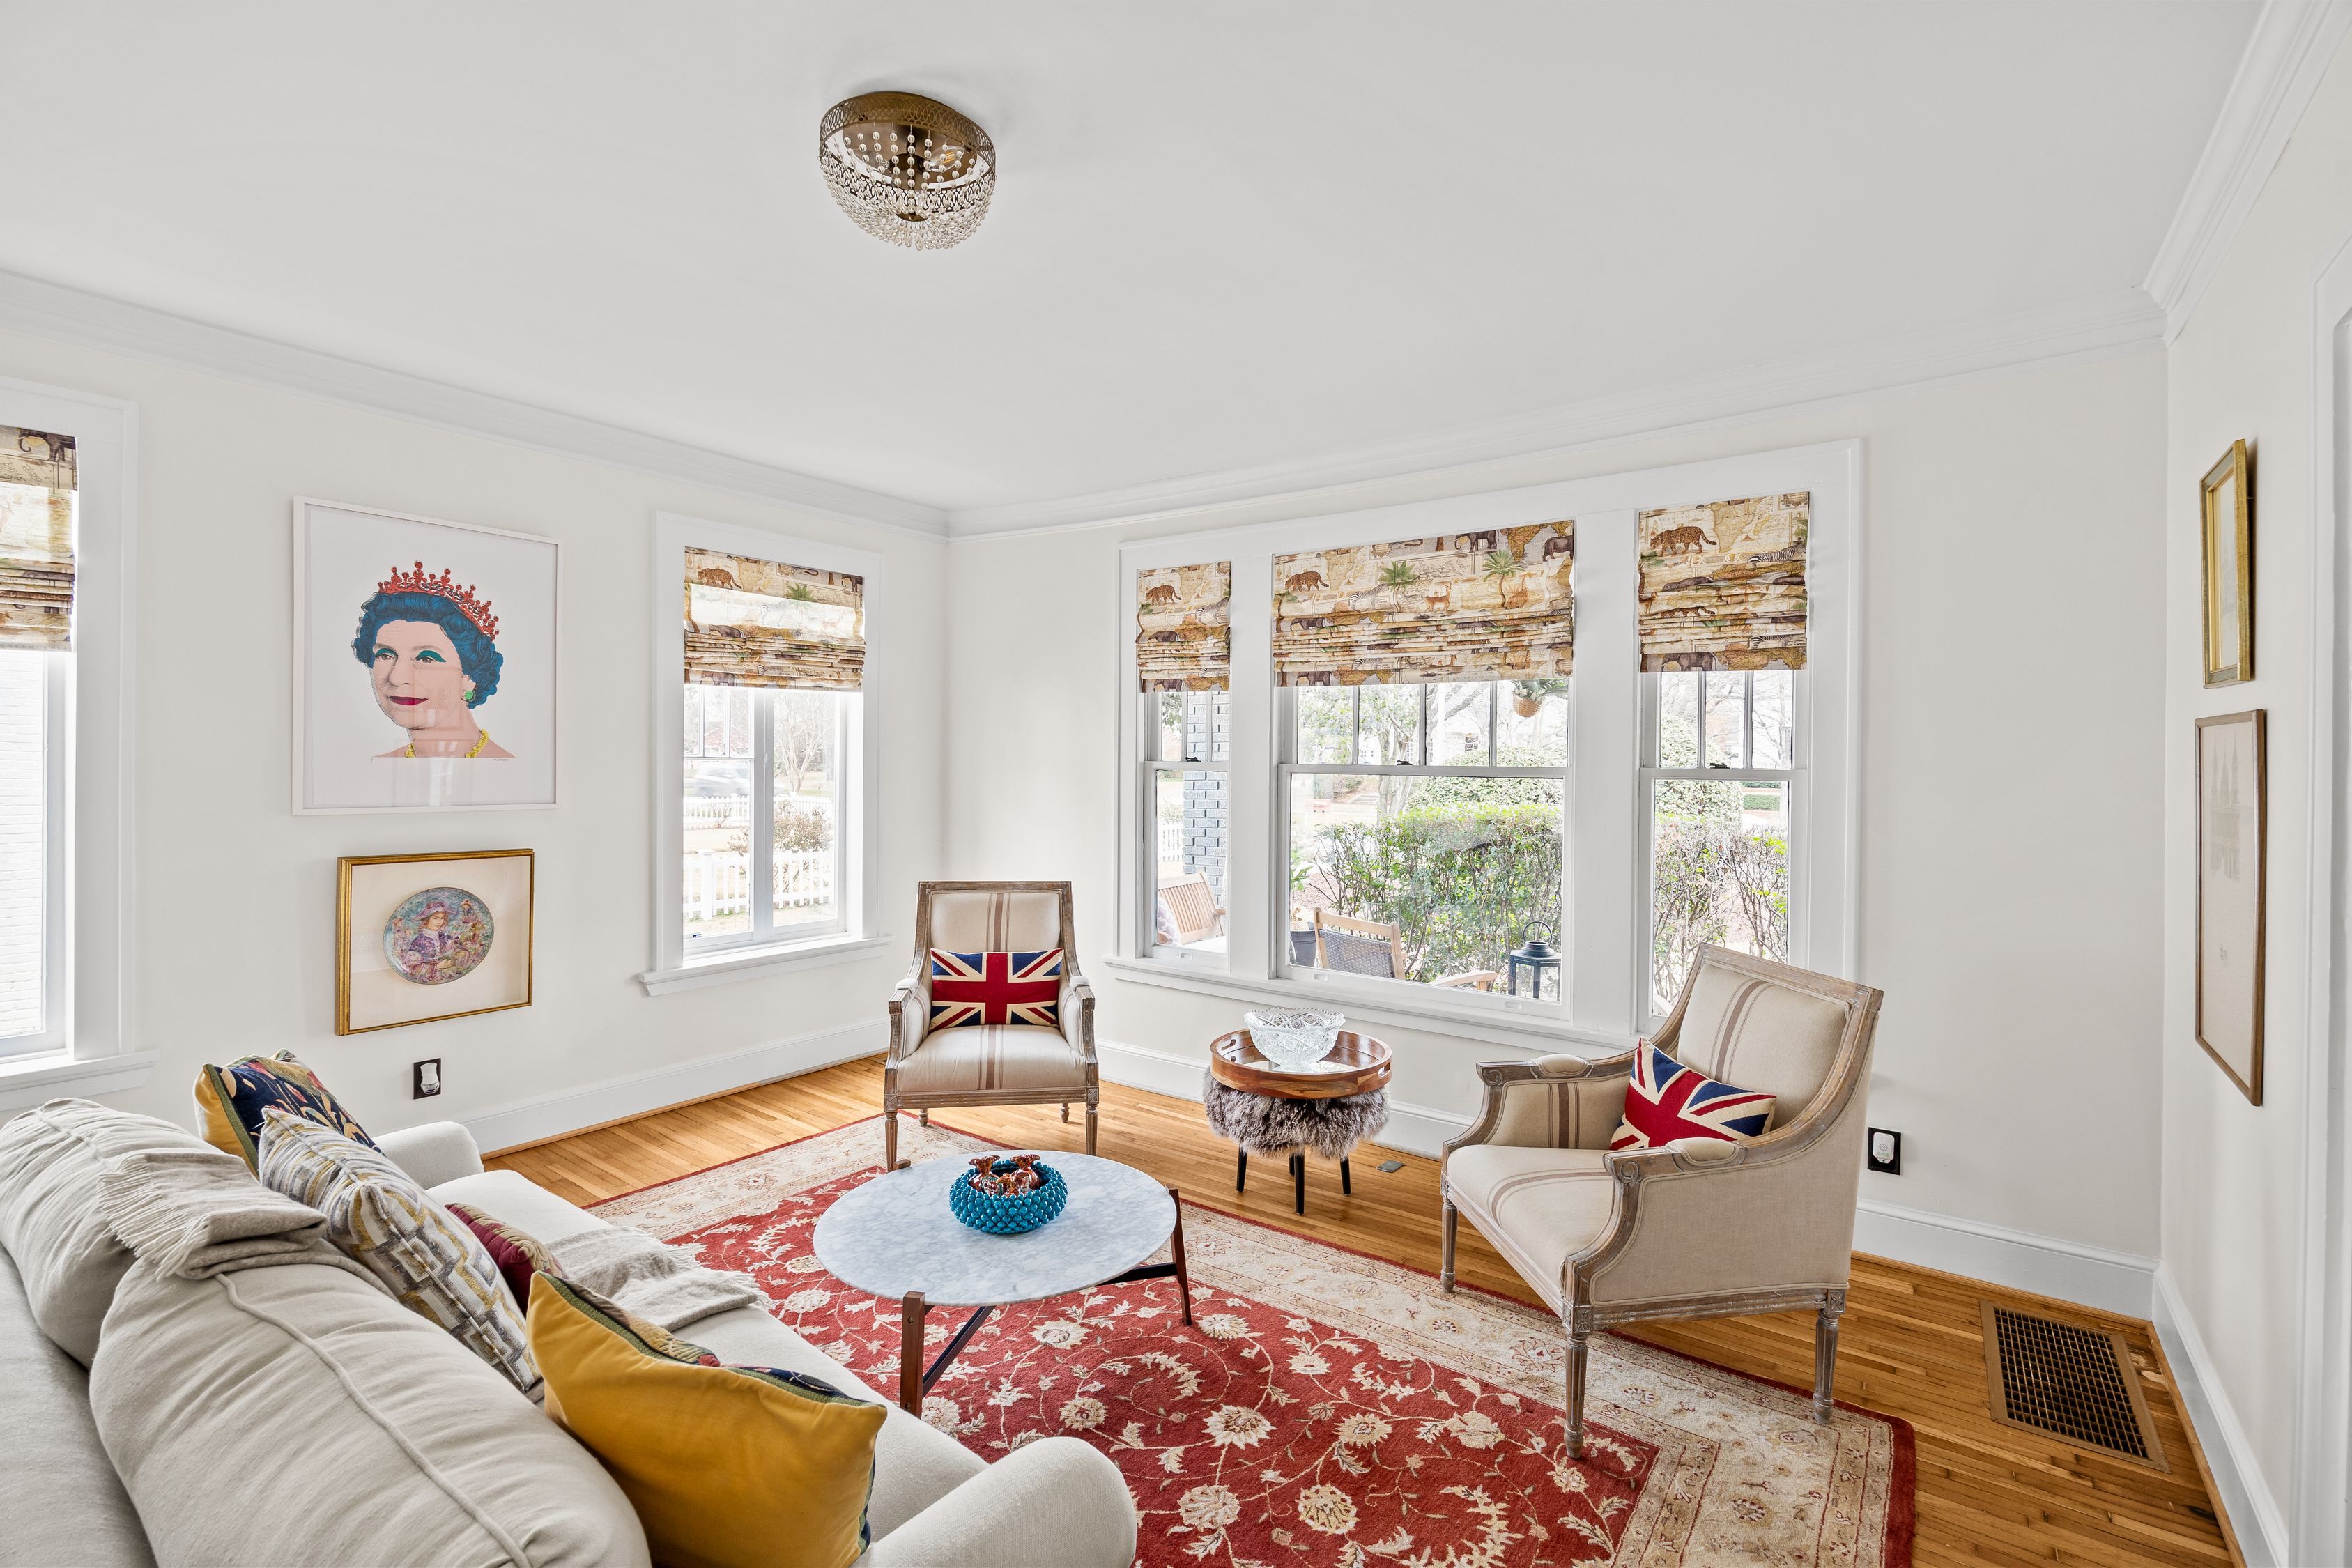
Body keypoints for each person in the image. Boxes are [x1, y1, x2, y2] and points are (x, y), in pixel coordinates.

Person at [352, 562, 514, 760]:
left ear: (470, 677)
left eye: (426, 659)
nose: (396, 678)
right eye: (385, 656)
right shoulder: (378, 766)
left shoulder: (502, 765)